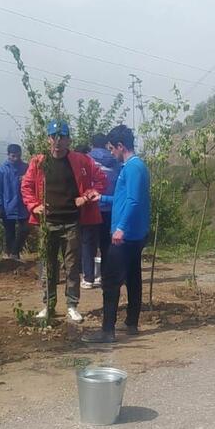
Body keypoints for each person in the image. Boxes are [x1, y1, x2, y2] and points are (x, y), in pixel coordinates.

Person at [20, 119, 107, 323]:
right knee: (48, 265)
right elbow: (26, 186)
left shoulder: (81, 160)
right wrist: (34, 205)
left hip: (71, 222)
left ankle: (72, 305)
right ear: (48, 139)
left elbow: (101, 180)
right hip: (47, 223)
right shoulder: (38, 162)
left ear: (69, 140)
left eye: (62, 137)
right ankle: (48, 305)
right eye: (54, 137)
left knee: (72, 266)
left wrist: (86, 197)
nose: (57, 141)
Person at [81, 124, 150, 344]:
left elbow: (134, 201)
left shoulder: (133, 167)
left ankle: (107, 331)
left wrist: (121, 228)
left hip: (127, 235)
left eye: (112, 148)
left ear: (121, 146)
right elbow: (123, 199)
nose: (111, 153)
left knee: (111, 281)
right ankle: (131, 323)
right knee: (132, 277)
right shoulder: (132, 167)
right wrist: (101, 198)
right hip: (132, 233)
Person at [80, 133, 121, 289]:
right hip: (111, 207)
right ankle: (104, 277)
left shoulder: (86, 160)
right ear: (106, 144)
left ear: (92, 144)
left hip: (92, 207)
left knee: (87, 243)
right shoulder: (116, 161)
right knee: (106, 243)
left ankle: (88, 278)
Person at [0, 144, 30, 261]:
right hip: (7, 206)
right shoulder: (1, 170)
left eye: (18, 156)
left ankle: (14, 252)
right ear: (8, 155)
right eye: (13, 156)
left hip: (23, 206)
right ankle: (10, 257)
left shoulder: (26, 168)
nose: (16, 158)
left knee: (25, 228)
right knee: (9, 232)